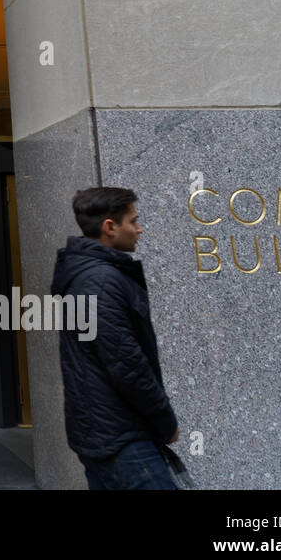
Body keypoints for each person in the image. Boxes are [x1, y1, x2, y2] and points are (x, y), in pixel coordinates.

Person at [51, 187, 180, 490]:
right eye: (133, 221)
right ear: (110, 227)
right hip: (121, 437)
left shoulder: (91, 274)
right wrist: (166, 421)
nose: (139, 228)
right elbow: (126, 364)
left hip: (106, 431)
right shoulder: (100, 281)